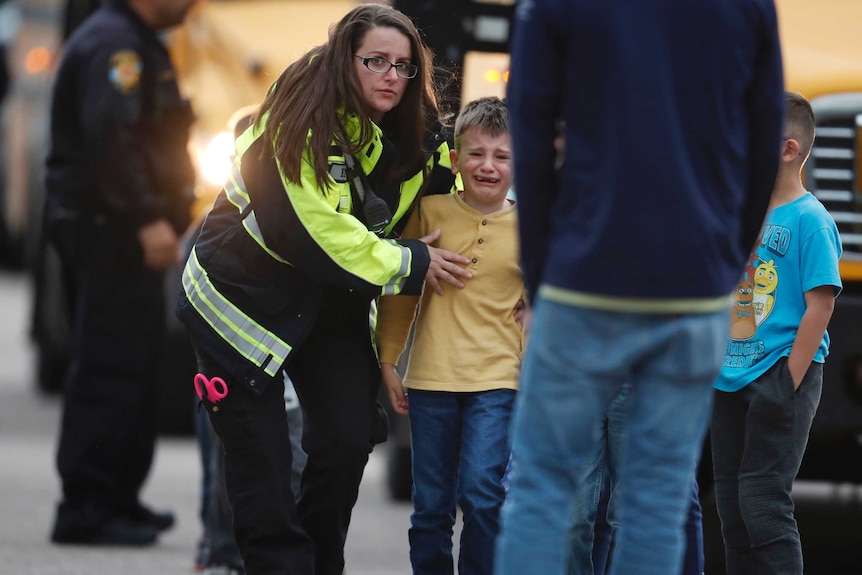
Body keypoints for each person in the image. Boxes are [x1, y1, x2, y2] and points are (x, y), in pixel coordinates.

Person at [175, 4, 472, 574]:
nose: (391, 75)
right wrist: (409, 260)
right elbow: (311, 230)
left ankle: (316, 563)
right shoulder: (297, 120)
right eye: (375, 61)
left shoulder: (417, 135)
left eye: (403, 66)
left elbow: (467, 191)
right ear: (345, 60)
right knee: (261, 462)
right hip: (239, 301)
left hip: (327, 299)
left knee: (347, 436)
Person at [495, 1, 786, 574]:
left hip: (585, 277)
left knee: (544, 488)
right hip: (695, 283)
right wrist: (729, 255)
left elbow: (528, 122)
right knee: (655, 498)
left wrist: (540, 269)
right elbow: (763, 128)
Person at [44, 0, 198, 546]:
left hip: (120, 227)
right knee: (110, 367)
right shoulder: (118, 47)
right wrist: (146, 217)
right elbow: (113, 139)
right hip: (113, 228)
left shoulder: (129, 38)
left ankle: (117, 499)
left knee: (133, 365)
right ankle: (86, 508)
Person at [376, 96, 523, 575]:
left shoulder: (532, 227)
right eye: (477, 154)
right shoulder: (430, 211)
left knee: (484, 492)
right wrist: (389, 361)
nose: (488, 166)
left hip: (499, 379)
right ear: (456, 160)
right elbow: (402, 293)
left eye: (502, 156)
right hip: (431, 379)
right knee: (431, 506)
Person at [710, 91, 842, 575]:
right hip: (730, 376)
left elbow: (821, 304)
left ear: (787, 150)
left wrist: (789, 380)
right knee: (732, 508)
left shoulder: (810, 219)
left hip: (780, 374)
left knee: (763, 502)